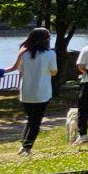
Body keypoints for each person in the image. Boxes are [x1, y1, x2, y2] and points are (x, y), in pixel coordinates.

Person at [10, 27, 57, 157]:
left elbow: (20, 70)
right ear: (46, 39)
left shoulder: (23, 53)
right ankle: (27, 148)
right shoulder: (50, 54)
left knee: (30, 119)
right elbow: (53, 72)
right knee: (36, 121)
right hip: (42, 92)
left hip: (26, 92)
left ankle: (23, 146)